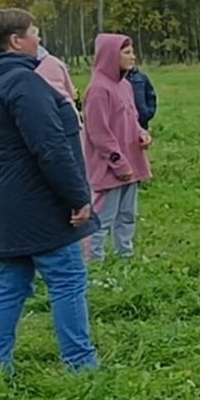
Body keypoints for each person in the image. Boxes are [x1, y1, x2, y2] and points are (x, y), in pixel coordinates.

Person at [0, 8, 99, 372]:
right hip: (40, 203)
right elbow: (49, 146)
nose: (40, 40)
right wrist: (78, 197)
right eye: (35, 32)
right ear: (15, 41)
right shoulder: (22, 84)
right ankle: (81, 366)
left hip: (5, 204)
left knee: (13, 282)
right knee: (68, 279)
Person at [83, 33, 153, 263]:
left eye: (132, 51)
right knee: (103, 217)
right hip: (111, 167)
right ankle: (96, 262)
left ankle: (125, 255)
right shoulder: (98, 90)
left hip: (131, 163)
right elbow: (99, 133)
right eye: (126, 52)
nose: (133, 56)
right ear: (111, 56)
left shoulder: (125, 85)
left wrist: (141, 134)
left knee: (127, 214)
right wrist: (118, 162)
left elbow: (131, 119)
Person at [35, 44, 79, 111]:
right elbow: (70, 90)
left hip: (46, 107)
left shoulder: (30, 68)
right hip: (66, 106)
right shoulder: (56, 62)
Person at [127, 59, 157, 131]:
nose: (132, 57)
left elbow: (151, 97)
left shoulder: (142, 77)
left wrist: (148, 113)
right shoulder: (115, 80)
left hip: (142, 125)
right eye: (127, 53)